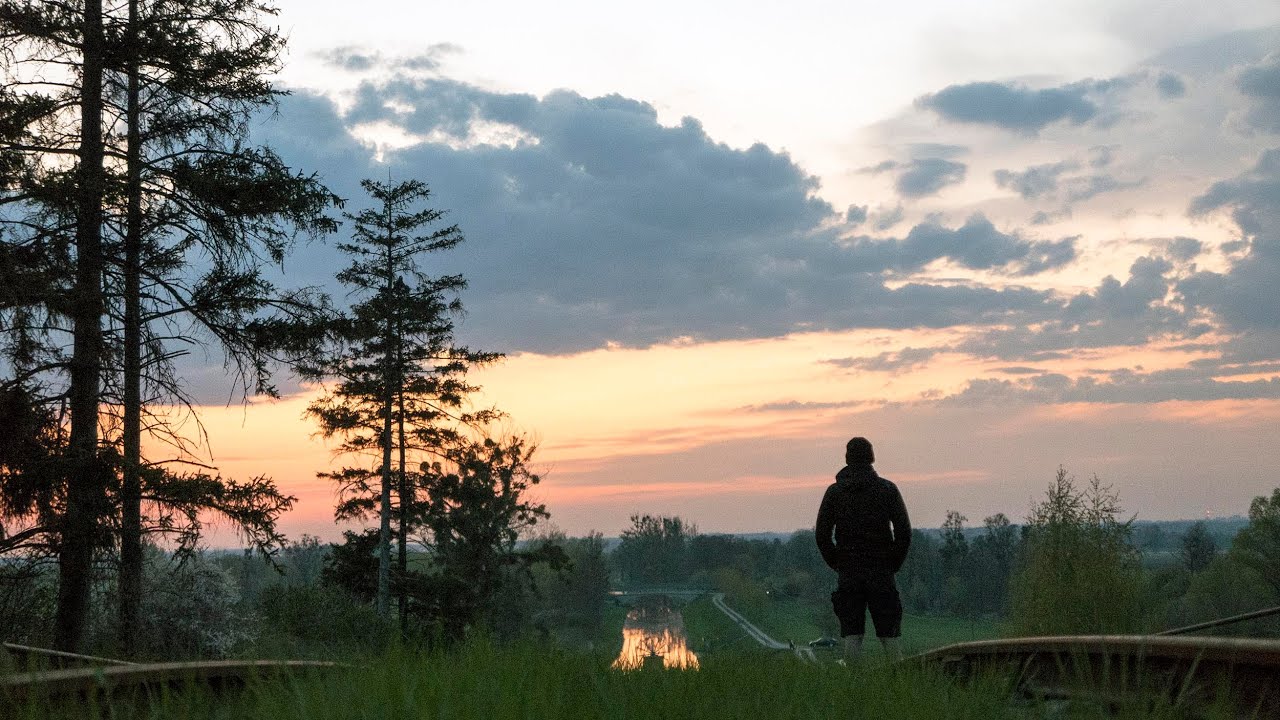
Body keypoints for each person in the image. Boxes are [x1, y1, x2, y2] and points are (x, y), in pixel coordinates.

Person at [815, 436, 911, 662]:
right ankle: (898, 682)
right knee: (890, 635)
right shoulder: (887, 490)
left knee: (852, 634)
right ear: (871, 458)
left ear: (847, 459)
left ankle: (854, 684)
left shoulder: (835, 493)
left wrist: (838, 564)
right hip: (881, 570)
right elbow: (904, 533)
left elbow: (822, 536)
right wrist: (891, 564)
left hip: (849, 571)